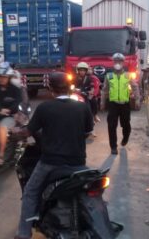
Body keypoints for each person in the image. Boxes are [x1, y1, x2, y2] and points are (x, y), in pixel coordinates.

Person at [15, 72, 93, 239]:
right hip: (78, 162)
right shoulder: (82, 107)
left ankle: (23, 233)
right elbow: (87, 132)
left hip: (50, 163)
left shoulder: (45, 108)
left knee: (30, 191)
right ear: (69, 87)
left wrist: (15, 132)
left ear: (50, 88)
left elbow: (28, 131)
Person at [100, 53, 139, 155]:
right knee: (111, 126)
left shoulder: (128, 75)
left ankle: (125, 137)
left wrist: (138, 100)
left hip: (125, 104)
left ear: (123, 63)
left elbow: (135, 87)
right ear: (113, 63)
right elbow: (104, 90)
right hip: (113, 104)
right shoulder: (109, 76)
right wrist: (102, 102)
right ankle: (113, 147)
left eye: (119, 61)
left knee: (126, 124)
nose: (117, 63)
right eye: (116, 61)